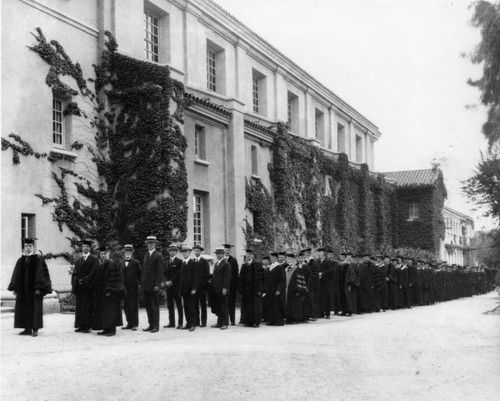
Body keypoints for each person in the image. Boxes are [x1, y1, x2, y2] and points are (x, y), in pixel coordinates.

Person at [8, 238, 52, 337]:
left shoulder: (38, 259)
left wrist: (38, 287)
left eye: (30, 246)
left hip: (34, 289)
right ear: (24, 248)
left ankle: (35, 329)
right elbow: (16, 274)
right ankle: (27, 328)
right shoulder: (21, 260)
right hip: (23, 290)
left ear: (33, 247)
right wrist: (15, 288)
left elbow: (42, 273)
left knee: (34, 309)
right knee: (24, 308)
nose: (28, 248)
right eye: (26, 246)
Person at [92, 246, 124, 336]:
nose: (102, 255)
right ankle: (106, 329)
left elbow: (114, 279)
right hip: (103, 293)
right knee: (105, 311)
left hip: (110, 293)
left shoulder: (112, 264)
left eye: (104, 253)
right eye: (101, 253)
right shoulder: (102, 264)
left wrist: (110, 289)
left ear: (108, 254)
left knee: (111, 311)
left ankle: (112, 330)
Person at [72, 239, 99, 333]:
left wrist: (83, 280)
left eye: (87, 246)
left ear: (90, 248)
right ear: (82, 248)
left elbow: (94, 273)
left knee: (88, 307)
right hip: (80, 288)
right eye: (84, 246)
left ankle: (87, 326)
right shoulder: (79, 260)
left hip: (88, 288)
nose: (85, 248)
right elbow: (74, 273)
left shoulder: (94, 259)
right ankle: (80, 325)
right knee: (80, 307)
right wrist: (76, 281)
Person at [141, 236, 164, 333]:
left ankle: (156, 326)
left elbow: (160, 272)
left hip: (154, 286)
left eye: (152, 243)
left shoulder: (158, 256)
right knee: (148, 306)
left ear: (155, 244)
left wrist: (157, 285)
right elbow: (144, 272)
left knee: (154, 306)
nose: (150, 245)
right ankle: (150, 325)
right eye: (148, 243)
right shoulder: (146, 255)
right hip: (146, 285)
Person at [239, 249, 264, 327]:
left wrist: (260, 289)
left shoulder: (257, 264)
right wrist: (241, 289)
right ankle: (248, 321)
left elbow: (261, 278)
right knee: (247, 306)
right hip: (246, 290)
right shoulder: (244, 265)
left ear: (252, 255)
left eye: (249, 254)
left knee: (255, 306)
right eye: (247, 255)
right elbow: (241, 278)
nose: (248, 256)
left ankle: (256, 322)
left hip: (255, 290)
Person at [121, 244, 142, 331]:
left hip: (133, 288)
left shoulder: (136, 263)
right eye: (126, 251)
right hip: (124, 288)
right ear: (124, 253)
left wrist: (139, 285)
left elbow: (140, 275)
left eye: (130, 251)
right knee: (126, 306)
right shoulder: (121, 263)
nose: (128, 253)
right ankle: (129, 323)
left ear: (132, 253)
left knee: (133, 306)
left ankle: (135, 324)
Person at [210, 248, 231, 330]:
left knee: (224, 306)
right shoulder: (216, 263)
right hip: (216, 288)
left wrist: (225, 288)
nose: (218, 255)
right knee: (218, 306)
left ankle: (225, 323)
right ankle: (219, 322)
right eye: (217, 254)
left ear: (223, 254)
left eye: (219, 254)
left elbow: (227, 277)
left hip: (222, 288)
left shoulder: (226, 264)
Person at [263, 252, 286, 326]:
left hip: (276, 289)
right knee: (270, 304)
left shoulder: (280, 267)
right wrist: (265, 290)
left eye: (273, 257)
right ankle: (271, 320)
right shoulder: (269, 267)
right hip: (269, 290)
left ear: (276, 258)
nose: (271, 259)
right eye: (271, 257)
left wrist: (279, 289)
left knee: (278, 305)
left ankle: (279, 321)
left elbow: (282, 280)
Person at [164, 244, 183, 329]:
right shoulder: (166, 261)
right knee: (170, 305)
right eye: (170, 251)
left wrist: (171, 281)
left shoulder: (179, 261)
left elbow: (179, 274)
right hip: (168, 287)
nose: (171, 252)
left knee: (179, 305)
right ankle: (172, 323)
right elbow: (164, 273)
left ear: (176, 252)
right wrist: (165, 281)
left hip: (176, 286)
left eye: (173, 251)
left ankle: (180, 323)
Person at [284, 253, 307, 324]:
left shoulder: (297, 269)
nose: (290, 260)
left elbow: (301, 280)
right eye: (288, 259)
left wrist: (299, 290)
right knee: (287, 303)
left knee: (295, 304)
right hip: (286, 290)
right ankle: (289, 318)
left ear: (294, 260)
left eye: (291, 259)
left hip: (295, 291)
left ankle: (296, 318)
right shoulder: (286, 269)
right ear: (286, 260)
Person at [179, 245, 198, 331]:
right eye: (183, 252)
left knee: (191, 307)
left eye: (186, 252)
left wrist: (194, 288)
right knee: (185, 307)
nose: (184, 254)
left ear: (189, 253)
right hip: (184, 290)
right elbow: (181, 278)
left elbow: (195, 277)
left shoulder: (193, 263)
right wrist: (180, 289)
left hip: (191, 290)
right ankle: (188, 323)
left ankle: (193, 324)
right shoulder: (183, 263)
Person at [193, 245, 210, 327]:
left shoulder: (204, 262)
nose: (196, 252)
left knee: (203, 305)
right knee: (195, 305)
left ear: (201, 252)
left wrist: (204, 286)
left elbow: (207, 275)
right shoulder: (193, 261)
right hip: (195, 288)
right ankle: (196, 321)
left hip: (202, 288)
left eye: (198, 251)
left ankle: (203, 322)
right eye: (195, 251)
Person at [223, 244, 239, 326]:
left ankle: (232, 320)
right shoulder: (221, 260)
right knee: (223, 303)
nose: (226, 251)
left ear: (230, 251)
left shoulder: (233, 260)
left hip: (231, 286)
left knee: (231, 303)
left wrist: (233, 286)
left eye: (228, 250)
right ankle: (224, 320)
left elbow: (235, 274)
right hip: (223, 286)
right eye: (225, 250)